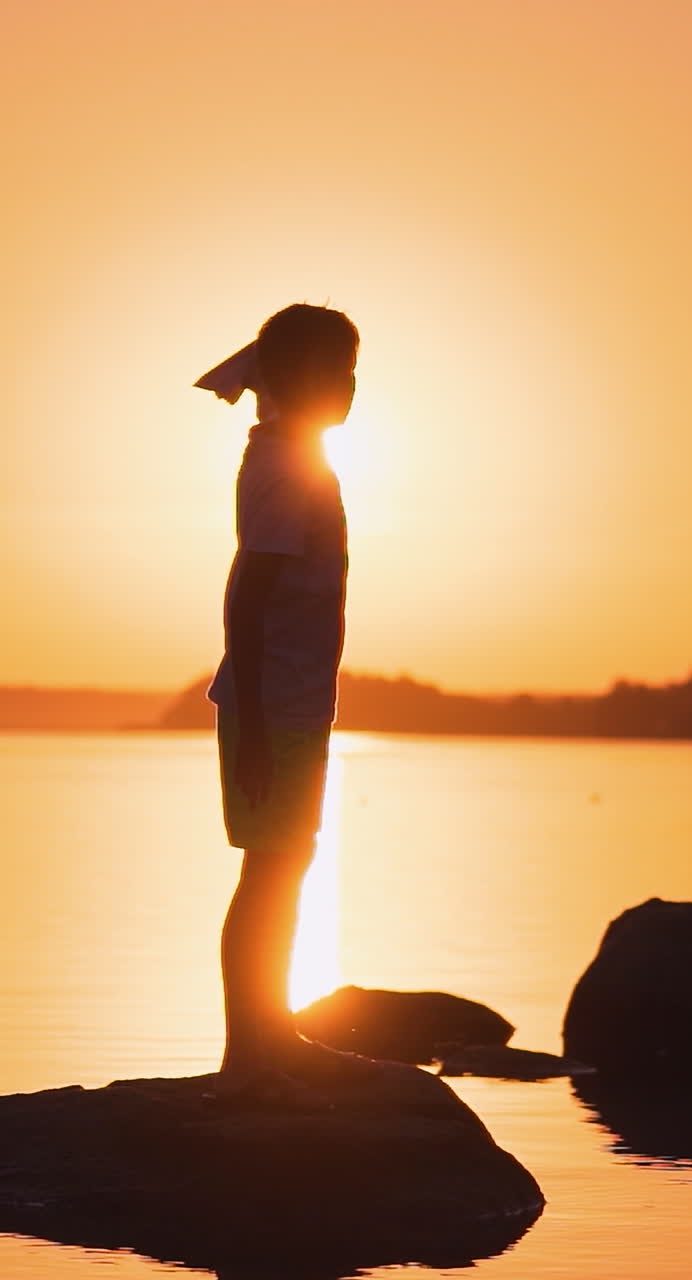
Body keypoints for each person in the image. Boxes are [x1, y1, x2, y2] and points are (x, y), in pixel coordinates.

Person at [196, 304, 360, 1081]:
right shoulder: (288, 468)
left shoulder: (296, 458)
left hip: (292, 706)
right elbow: (249, 597)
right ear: (294, 377)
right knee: (270, 871)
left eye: (354, 371)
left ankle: (268, 1034)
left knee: (285, 864)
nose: (351, 386)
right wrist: (257, 728)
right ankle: (250, 1051)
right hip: (273, 710)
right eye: (337, 371)